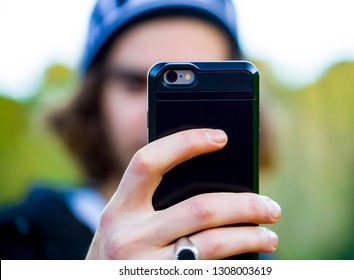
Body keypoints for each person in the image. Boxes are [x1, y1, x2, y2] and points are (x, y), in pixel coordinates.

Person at [0, 0, 281, 260]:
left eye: (199, 90)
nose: (157, 110)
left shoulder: (259, 257)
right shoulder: (13, 242)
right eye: (135, 83)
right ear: (94, 97)